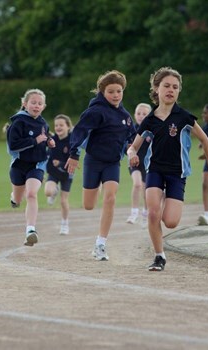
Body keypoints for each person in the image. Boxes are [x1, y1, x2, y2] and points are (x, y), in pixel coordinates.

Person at [127, 67, 208, 272]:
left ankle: (169, 197)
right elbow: (133, 146)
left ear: (179, 91)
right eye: (166, 86)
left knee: (170, 221)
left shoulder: (184, 116)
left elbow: (204, 139)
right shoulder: (150, 120)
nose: (171, 90)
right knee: (152, 213)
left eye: (175, 87)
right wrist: (132, 154)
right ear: (156, 89)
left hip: (178, 174)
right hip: (155, 171)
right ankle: (159, 256)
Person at [65, 70, 136, 261]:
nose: (115, 95)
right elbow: (79, 131)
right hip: (93, 161)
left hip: (112, 163)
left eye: (119, 91)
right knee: (89, 205)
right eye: (111, 91)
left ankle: (100, 244)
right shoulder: (96, 112)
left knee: (110, 197)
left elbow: (133, 136)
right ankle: (94, 190)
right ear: (102, 92)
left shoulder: (125, 116)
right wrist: (73, 154)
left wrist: (132, 149)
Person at [6, 88, 55, 246]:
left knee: (32, 194)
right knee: (19, 199)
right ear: (24, 103)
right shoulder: (18, 122)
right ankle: (14, 197)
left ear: (44, 106)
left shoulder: (43, 123)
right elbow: (13, 146)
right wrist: (35, 141)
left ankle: (30, 230)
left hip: (37, 165)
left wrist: (49, 141)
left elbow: (44, 136)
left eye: (40, 103)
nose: (36, 105)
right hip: (19, 165)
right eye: (33, 102)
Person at [44, 114, 74, 235]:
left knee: (63, 201)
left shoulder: (72, 141)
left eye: (61, 125)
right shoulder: (52, 140)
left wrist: (61, 163)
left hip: (67, 174)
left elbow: (73, 158)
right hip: (53, 172)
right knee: (48, 192)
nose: (58, 127)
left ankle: (64, 224)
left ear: (68, 126)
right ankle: (54, 191)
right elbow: (45, 153)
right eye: (56, 125)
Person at [126, 103, 152, 228]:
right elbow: (126, 145)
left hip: (147, 164)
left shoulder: (151, 130)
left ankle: (146, 214)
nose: (141, 116)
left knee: (146, 190)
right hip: (134, 162)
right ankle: (134, 212)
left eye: (144, 114)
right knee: (136, 184)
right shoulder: (131, 130)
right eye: (138, 113)